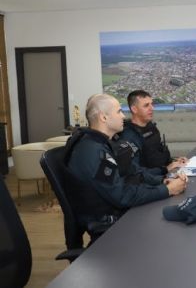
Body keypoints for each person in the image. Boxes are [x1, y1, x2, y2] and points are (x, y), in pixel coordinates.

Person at [65, 94, 187, 234]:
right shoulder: (95, 152)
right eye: (118, 111)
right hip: (112, 224)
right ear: (103, 118)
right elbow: (122, 196)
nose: (123, 116)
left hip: (120, 210)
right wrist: (168, 190)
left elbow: (133, 171)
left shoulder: (104, 143)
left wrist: (163, 181)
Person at [120, 90, 188, 175]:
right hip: (148, 181)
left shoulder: (151, 127)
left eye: (152, 104)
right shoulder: (127, 135)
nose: (152, 108)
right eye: (146, 105)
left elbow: (157, 155)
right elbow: (135, 173)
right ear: (134, 109)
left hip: (163, 173)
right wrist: (166, 169)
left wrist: (174, 161)